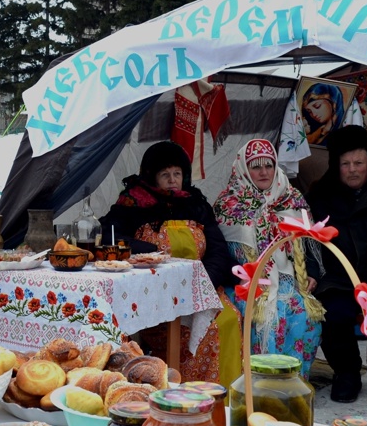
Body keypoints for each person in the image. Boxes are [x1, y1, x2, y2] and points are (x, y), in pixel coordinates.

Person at [101, 141, 240, 384]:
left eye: (177, 173)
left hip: (202, 288)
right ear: (151, 177)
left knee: (229, 319)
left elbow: (218, 249)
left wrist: (202, 285)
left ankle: (221, 400)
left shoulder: (196, 203)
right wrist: (151, 250)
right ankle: (183, 392)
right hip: (154, 293)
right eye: (165, 174)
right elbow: (110, 237)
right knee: (204, 332)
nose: (173, 179)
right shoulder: (132, 203)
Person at [213, 138, 323, 377]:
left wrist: (311, 273)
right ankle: (257, 385)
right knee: (265, 317)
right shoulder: (228, 204)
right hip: (245, 282)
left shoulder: (291, 198)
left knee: (304, 314)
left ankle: (292, 383)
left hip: (287, 280)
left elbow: (309, 241)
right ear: (243, 169)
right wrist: (240, 277)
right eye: (255, 166)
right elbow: (218, 250)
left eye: (269, 165)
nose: (264, 172)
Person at [306, 125, 367, 403]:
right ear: (336, 166)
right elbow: (310, 242)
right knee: (333, 313)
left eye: (359, 162)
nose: (353, 169)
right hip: (339, 278)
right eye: (346, 164)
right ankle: (347, 372)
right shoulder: (321, 196)